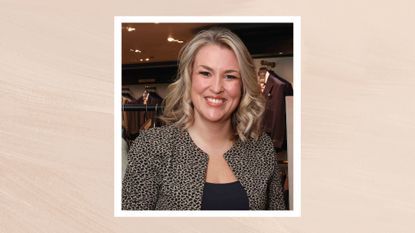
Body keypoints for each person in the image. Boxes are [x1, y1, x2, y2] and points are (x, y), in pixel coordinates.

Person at [122, 27, 286, 210]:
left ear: (243, 86)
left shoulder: (261, 147)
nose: (217, 87)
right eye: (205, 73)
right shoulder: (152, 147)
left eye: (230, 76)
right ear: (189, 78)